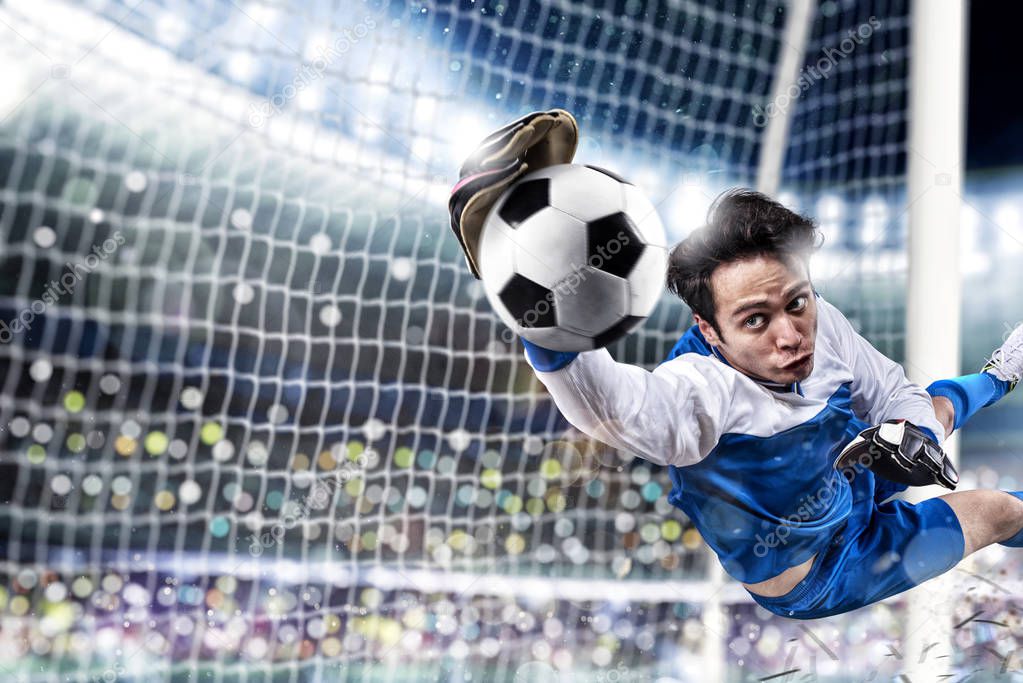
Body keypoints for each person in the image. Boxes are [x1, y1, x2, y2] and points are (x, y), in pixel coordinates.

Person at [449, 110, 1023, 619]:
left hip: (844, 465)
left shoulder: (820, 322)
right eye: (754, 320)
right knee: (1001, 511)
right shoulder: (695, 399)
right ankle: (518, 232)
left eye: (796, 302)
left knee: (931, 412)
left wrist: (915, 430)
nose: (791, 335)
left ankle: (1002, 374)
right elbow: (606, 405)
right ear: (708, 330)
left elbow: (891, 388)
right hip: (826, 569)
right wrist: (541, 308)